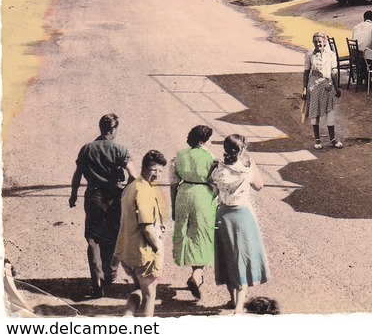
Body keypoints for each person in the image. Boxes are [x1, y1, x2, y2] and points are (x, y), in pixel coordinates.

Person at [69, 114, 138, 299]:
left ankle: (97, 280)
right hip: (115, 197)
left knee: (93, 239)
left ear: (100, 128)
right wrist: (125, 189)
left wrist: (73, 195)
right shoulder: (120, 149)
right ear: (114, 129)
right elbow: (133, 175)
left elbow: (77, 175)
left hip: (94, 196)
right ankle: (110, 272)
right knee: (115, 235)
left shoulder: (86, 149)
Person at [212, 133, 270, 314]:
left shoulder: (218, 167)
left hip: (223, 214)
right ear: (242, 149)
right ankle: (238, 308)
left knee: (228, 257)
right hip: (242, 215)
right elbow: (259, 185)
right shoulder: (247, 166)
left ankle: (232, 299)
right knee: (242, 259)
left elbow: (212, 189)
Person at [115, 149, 168, 317]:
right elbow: (146, 227)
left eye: (160, 171)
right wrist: (158, 248)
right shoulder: (144, 191)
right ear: (144, 168)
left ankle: (127, 317)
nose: (157, 175)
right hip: (143, 252)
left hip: (128, 251)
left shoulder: (132, 186)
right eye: (154, 170)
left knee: (138, 288)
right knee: (150, 295)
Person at [171, 125, 217, 300]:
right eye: (209, 140)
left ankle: (195, 272)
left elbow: (173, 183)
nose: (210, 143)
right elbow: (216, 182)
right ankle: (197, 274)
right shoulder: (211, 157)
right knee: (203, 235)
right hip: (203, 196)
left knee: (188, 234)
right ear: (202, 141)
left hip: (183, 194)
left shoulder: (179, 156)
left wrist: (174, 206)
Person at [302, 32, 343, 148]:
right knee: (315, 113)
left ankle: (333, 139)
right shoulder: (309, 55)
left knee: (329, 112)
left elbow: (333, 72)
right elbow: (305, 73)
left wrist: (336, 87)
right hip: (314, 85)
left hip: (327, 85)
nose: (318, 44)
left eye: (320, 42)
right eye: (315, 42)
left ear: (324, 43)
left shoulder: (331, 55)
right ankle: (317, 139)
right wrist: (304, 89)